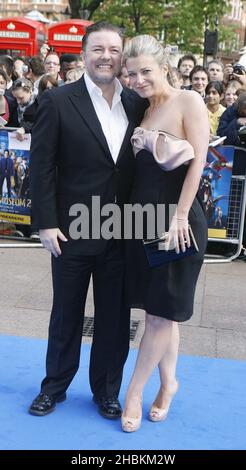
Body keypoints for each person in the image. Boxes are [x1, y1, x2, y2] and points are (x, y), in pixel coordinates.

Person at [29, 22, 146, 419]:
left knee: (114, 318)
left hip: (121, 229)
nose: (106, 56)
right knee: (66, 312)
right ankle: (54, 387)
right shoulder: (59, 101)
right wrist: (45, 223)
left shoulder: (137, 103)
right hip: (70, 229)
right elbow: (41, 166)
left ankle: (107, 392)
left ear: (122, 55)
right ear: (84, 54)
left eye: (114, 49)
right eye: (98, 49)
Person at [121, 35, 209, 432]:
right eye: (132, 73)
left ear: (165, 68)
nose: (138, 79)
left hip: (177, 222)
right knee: (161, 311)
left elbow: (199, 162)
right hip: (143, 218)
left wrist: (180, 217)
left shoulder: (188, 101)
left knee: (158, 314)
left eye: (146, 72)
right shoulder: (142, 107)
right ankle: (169, 383)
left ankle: (135, 392)